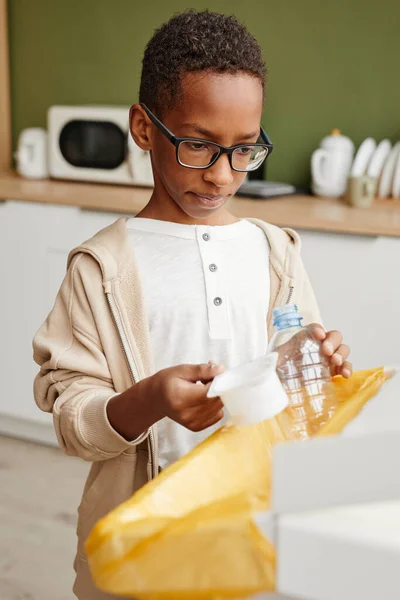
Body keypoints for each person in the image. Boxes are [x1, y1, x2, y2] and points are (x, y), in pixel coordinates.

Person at [33, 9, 352, 600]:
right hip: (143, 549)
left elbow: (296, 380)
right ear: (144, 127)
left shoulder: (273, 250)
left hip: (251, 534)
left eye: (244, 150)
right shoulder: (100, 269)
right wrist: (148, 400)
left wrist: (315, 360)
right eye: (199, 146)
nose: (222, 175)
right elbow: (74, 420)